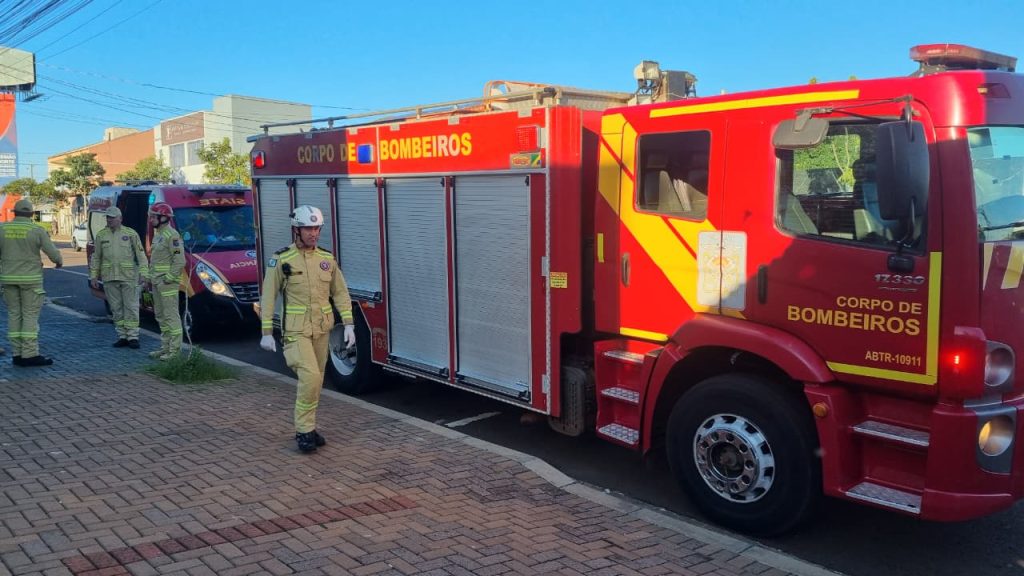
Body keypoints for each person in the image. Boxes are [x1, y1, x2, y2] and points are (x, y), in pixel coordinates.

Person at [258, 205, 356, 454]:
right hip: (296, 332)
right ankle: (303, 431)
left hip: (321, 330)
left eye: (317, 228)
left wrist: (349, 324)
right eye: (308, 229)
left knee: (317, 381)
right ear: (296, 230)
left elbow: (340, 293)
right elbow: (268, 297)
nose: (314, 233)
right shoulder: (282, 260)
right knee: (310, 377)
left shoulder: (326, 259)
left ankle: (309, 427)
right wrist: (266, 332)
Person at [0, 199, 63, 366]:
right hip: (31, 281)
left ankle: (17, 354)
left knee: (14, 314)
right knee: (29, 315)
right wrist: (58, 261)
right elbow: (52, 252)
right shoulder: (36, 230)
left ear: (14, 213)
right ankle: (29, 354)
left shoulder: (2, 229)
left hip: (8, 279)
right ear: (32, 214)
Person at [89, 206, 147, 349]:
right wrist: (93, 276)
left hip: (129, 277)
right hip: (110, 278)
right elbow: (96, 257)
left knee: (131, 307)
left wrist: (144, 274)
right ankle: (122, 336)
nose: (109, 220)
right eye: (108, 217)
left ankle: (133, 337)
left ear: (120, 218)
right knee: (116, 309)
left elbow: (141, 255)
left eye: (112, 217)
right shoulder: (101, 235)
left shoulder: (131, 234)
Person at [145, 202, 185, 360]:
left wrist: (167, 279)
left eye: (153, 217)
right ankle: (165, 348)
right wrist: (149, 278)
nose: (151, 220)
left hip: (167, 284)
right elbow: (156, 262)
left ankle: (174, 351)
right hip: (157, 283)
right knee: (161, 316)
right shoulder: (158, 235)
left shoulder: (172, 236)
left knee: (171, 316)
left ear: (163, 218)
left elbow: (180, 261)